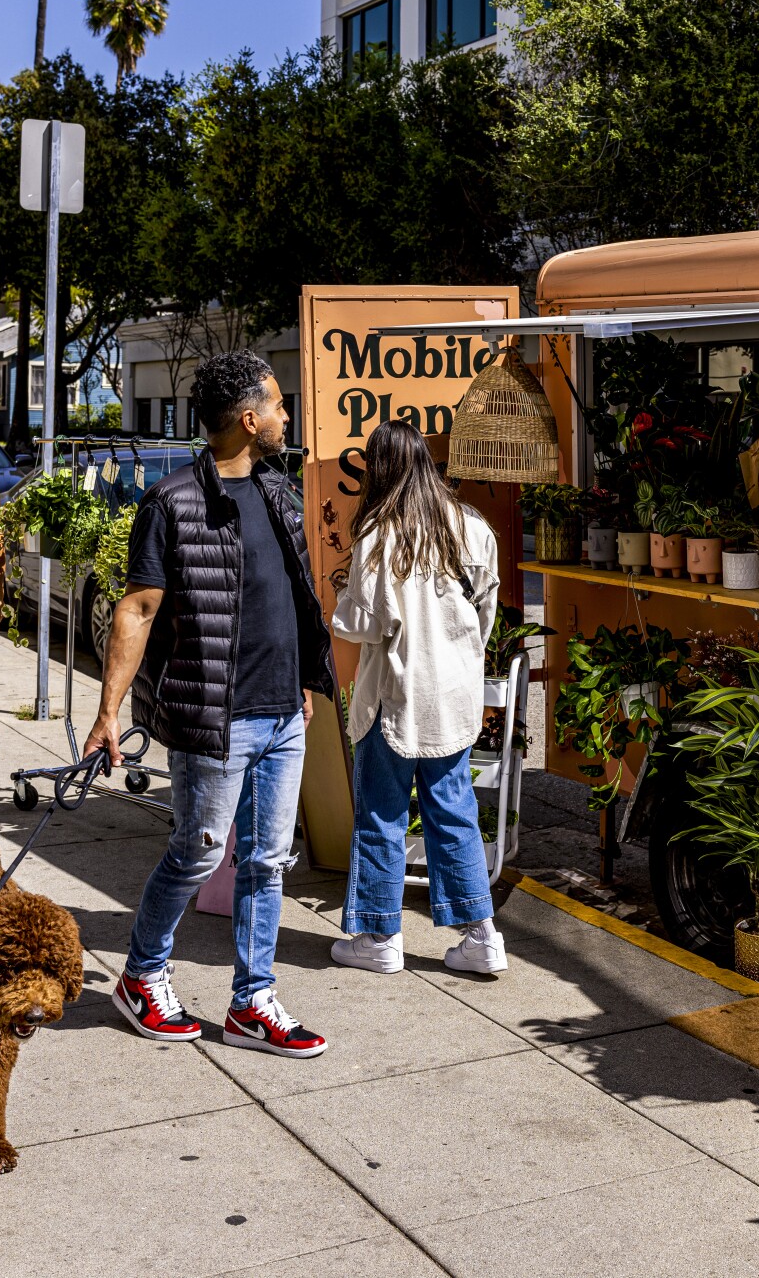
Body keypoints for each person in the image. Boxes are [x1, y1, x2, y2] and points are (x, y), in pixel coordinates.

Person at [83, 350, 336, 1059]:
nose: (288, 416)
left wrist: (304, 684)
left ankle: (253, 999)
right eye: (280, 405)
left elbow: (291, 595)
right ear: (250, 420)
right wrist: (109, 712)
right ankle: (141, 975)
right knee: (196, 854)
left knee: (265, 861)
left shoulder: (278, 489)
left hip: (284, 711)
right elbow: (136, 607)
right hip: (214, 718)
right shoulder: (173, 501)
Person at [327, 420, 507, 976]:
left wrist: (340, 594)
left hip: (394, 696)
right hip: (452, 695)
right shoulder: (469, 525)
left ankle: (380, 938)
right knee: (453, 811)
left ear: (380, 470)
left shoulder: (380, 534)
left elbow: (361, 626)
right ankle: (482, 936)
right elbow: (485, 612)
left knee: (381, 814)